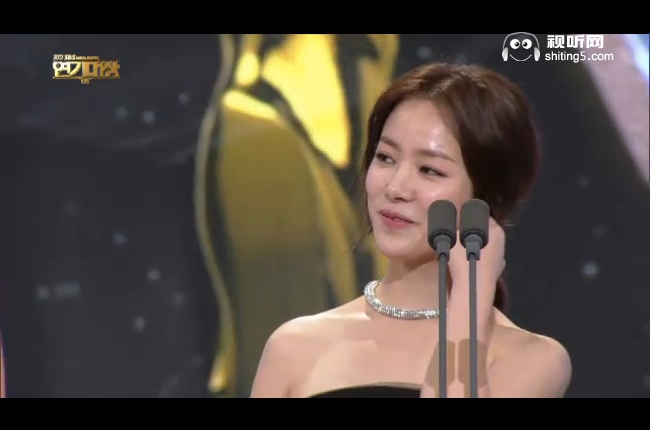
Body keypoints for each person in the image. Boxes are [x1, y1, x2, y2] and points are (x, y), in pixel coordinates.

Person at [250, 62, 572, 398]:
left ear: (486, 198)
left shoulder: (529, 360)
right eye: (385, 158)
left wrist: (471, 292)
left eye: (429, 170)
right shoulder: (295, 347)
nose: (396, 187)